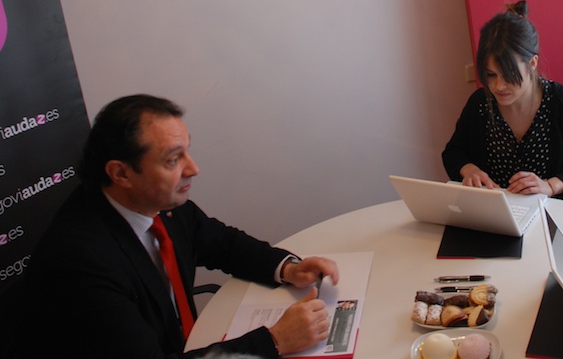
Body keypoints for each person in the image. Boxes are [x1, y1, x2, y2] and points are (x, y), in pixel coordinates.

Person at [9, 94, 340, 359]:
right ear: (121, 173)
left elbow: (222, 243)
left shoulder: (158, 203)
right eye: (173, 159)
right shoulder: (80, 262)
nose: (193, 169)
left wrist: (288, 268)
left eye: (187, 151)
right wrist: (275, 341)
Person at [442, 0, 563, 203]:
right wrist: (470, 170)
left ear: (532, 64)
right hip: (495, 209)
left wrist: (550, 185)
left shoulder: (562, 103)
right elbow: (453, 153)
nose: (498, 86)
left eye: (509, 75)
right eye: (491, 75)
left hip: (550, 208)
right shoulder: (480, 104)